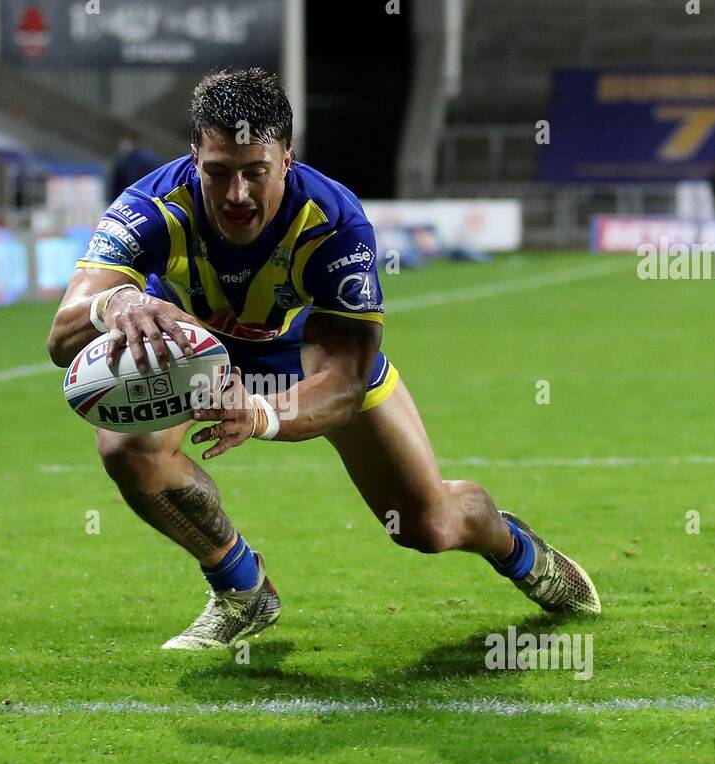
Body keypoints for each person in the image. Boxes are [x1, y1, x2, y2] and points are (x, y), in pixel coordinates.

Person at [46, 69, 601, 650]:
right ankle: (241, 591)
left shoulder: (333, 222)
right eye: (218, 172)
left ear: (288, 158)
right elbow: (62, 339)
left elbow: (342, 384)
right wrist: (117, 301)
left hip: (307, 363)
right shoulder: (149, 206)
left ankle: (517, 549)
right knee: (124, 447)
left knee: (428, 526)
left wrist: (259, 413)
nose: (236, 194)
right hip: (193, 353)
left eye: (255, 172)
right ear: (195, 157)